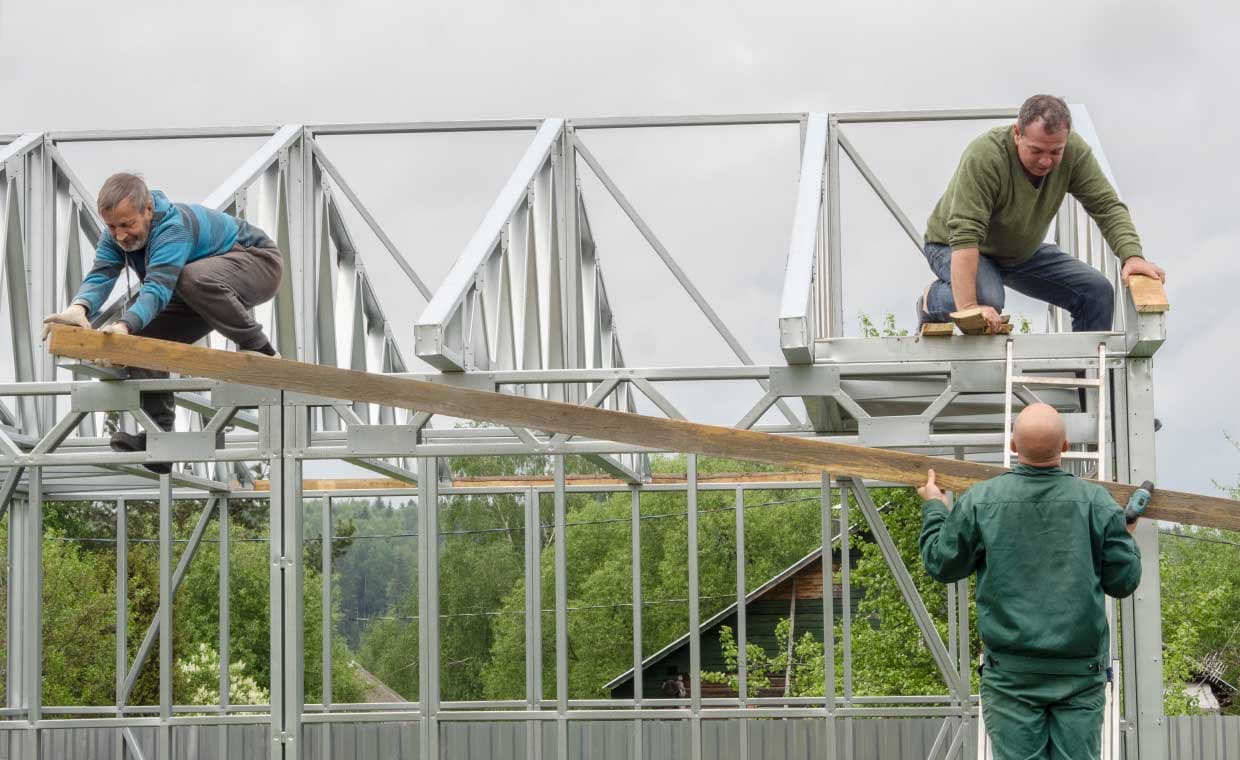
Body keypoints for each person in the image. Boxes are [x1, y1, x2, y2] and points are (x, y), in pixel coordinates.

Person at [918, 403, 1142, 760]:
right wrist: (1124, 533)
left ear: (1012, 446)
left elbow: (942, 564)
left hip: (1011, 680)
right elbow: (1123, 581)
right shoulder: (1097, 504)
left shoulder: (980, 501)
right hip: (1080, 678)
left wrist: (934, 508)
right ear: (1065, 448)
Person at [41, 172, 283, 473]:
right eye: (112, 226)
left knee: (190, 280)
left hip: (256, 262)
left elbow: (157, 288)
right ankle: (159, 438)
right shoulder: (115, 235)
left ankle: (260, 350)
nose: (120, 235)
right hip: (195, 291)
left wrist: (123, 326)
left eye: (127, 225)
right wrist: (79, 307)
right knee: (142, 342)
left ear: (148, 211)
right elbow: (102, 273)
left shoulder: (172, 228)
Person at [918, 94, 1165, 335]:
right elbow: (965, 232)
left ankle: (1084, 372)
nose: (1046, 161)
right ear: (1017, 134)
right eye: (1036, 151)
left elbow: (1106, 205)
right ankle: (933, 299)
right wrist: (969, 307)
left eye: (1055, 152)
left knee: (1096, 291)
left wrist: (1132, 255)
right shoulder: (986, 155)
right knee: (986, 299)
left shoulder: (1074, 153)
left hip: (1019, 252)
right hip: (953, 245)